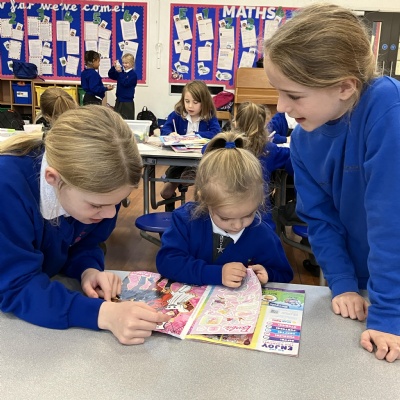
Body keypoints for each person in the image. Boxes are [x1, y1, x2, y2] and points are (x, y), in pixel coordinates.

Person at [264, 3, 400, 362]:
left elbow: (391, 219)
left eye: (294, 95)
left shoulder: (387, 108)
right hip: (364, 278)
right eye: (278, 91)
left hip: (392, 287)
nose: (281, 107)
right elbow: (320, 219)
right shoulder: (303, 140)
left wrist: (389, 312)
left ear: (344, 86)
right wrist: (342, 282)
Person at [0, 105, 169, 345]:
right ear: (53, 179)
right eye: (97, 205)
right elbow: (16, 285)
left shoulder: (96, 194)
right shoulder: (7, 188)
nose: (110, 214)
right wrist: (103, 314)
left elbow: (86, 243)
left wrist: (88, 270)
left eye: (117, 203)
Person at [156, 131, 293, 287]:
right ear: (205, 200)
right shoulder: (186, 220)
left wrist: (268, 274)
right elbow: (167, 262)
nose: (238, 225)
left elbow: (284, 274)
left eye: (248, 215)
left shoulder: (262, 233)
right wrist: (216, 274)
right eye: (225, 218)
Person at [232, 101, 293, 229]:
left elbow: (206, 149)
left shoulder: (226, 145)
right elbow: (292, 159)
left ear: (235, 123)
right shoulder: (269, 149)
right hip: (259, 215)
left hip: (227, 208)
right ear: (263, 126)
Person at [160, 80, 221, 202]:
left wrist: (196, 135)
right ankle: (181, 181)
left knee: (202, 193)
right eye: (187, 101)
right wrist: (170, 134)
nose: (190, 106)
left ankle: (189, 176)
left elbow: (216, 133)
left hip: (201, 161)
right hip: (179, 161)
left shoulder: (209, 116)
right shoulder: (177, 114)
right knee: (165, 193)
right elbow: (165, 129)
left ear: (204, 102)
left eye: (195, 102)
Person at [108, 53, 138, 120]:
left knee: (126, 121)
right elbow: (111, 75)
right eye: (123, 63)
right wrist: (114, 67)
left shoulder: (133, 75)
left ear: (132, 63)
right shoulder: (122, 72)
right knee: (117, 120)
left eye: (127, 63)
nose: (124, 65)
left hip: (127, 102)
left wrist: (120, 72)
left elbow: (125, 83)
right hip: (119, 100)